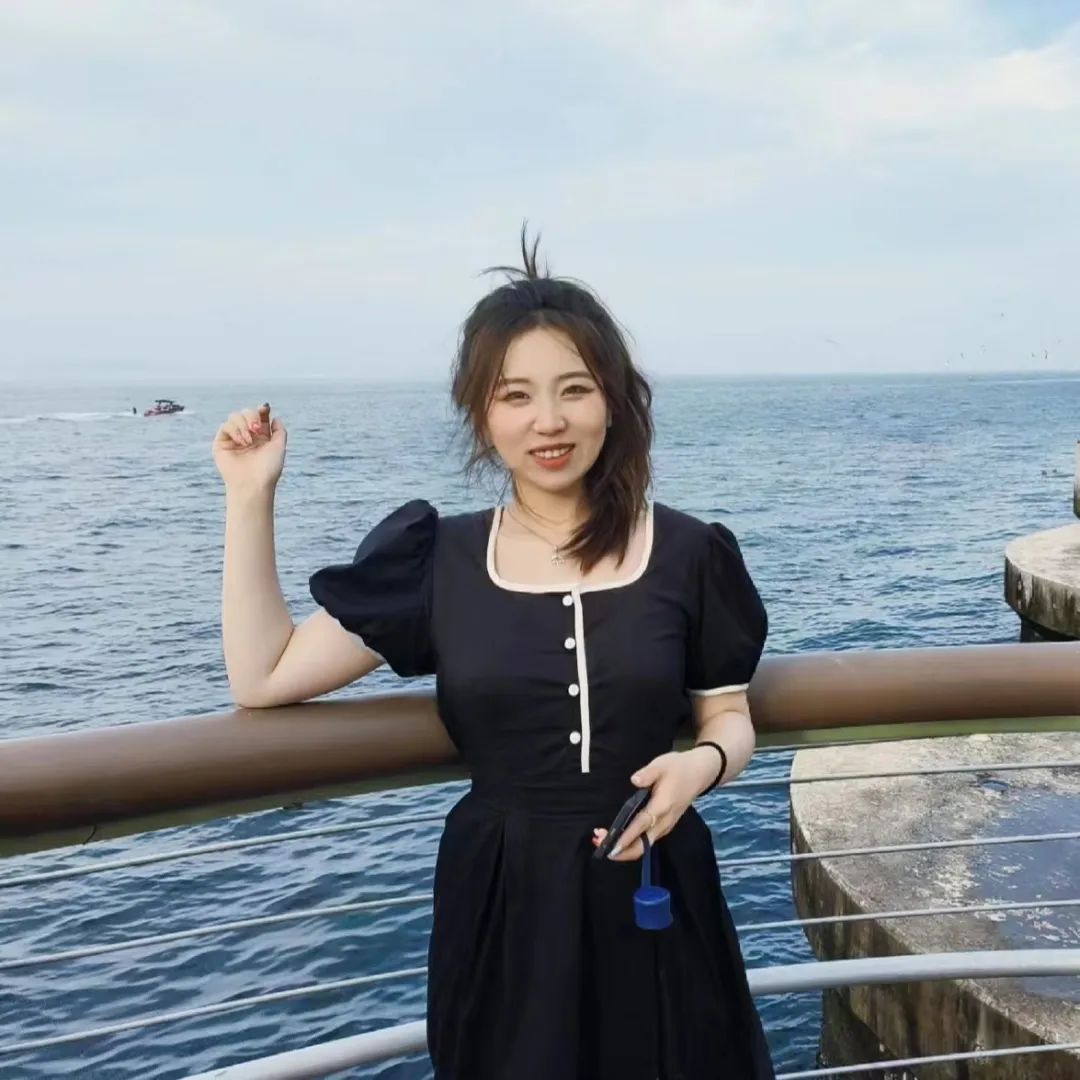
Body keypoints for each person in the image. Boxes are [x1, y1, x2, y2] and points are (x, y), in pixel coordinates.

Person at [213, 232, 775, 1079]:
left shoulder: (691, 554)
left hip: (658, 891)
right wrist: (249, 497)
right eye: (516, 395)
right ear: (482, 413)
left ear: (613, 402)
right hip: (504, 908)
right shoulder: (438, 562)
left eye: (575, 389)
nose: (548, 421)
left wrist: (702, 765)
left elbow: (728, 714)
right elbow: (264, 675)